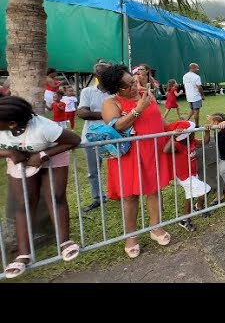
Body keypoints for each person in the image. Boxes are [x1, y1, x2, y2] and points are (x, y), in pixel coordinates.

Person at [0, 96, 82, 279]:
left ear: (12, 123)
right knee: (24, 203)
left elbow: (74, 140)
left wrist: (43, 154)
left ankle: (65, 243)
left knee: (55, 197)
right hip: (20, 159)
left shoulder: (43, 127)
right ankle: (23, 255)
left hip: (52, 154)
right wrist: (9, 152)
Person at [100, 64, 172, 259]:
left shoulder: (146, 95)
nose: (134, 85)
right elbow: (115, 126)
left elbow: (159, 120)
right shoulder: (111, 102)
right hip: (128, 156)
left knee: (153, 190)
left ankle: (156, 228)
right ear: (117, 88)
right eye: (128, 85)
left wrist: (175, 130)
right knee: (129, 196)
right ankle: (131, 237)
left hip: (151, 152)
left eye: (133, 80)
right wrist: (138, 109)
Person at [163, 120, 212, 232]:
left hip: (193, 174)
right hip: (184, 176)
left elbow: (205, 142)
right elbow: (166, 150)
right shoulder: (177, 145)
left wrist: (207, 132)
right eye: (193, 132)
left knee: (190, 196)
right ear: (187, 134)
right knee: (205, 189)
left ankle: (187, 218)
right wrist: (172, 136)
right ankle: (197, 208)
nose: (194, 133)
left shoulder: (192, 141)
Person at [77, 60, 111, 212]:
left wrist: (94, 114)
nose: (106, 76)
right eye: (103, 73)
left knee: (116, 167)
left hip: (114, 136)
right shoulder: (87, 92)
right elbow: (82, 113)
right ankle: (98, 197)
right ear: (96, 75)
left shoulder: (115, 92)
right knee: (93, 170)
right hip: (92, 137)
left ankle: (119, 193)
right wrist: (108, 115)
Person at [183, 63, 205, 127]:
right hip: (196, 96)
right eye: (196, 68)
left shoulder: (185, 76)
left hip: (189, 96)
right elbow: (199, 87)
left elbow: (185, 86)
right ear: (193, 68)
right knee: (196, 111)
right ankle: (197, 125)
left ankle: (185, 121)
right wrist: (202, 95)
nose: (197, 70)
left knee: (192, 109)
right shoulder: (196, 77)